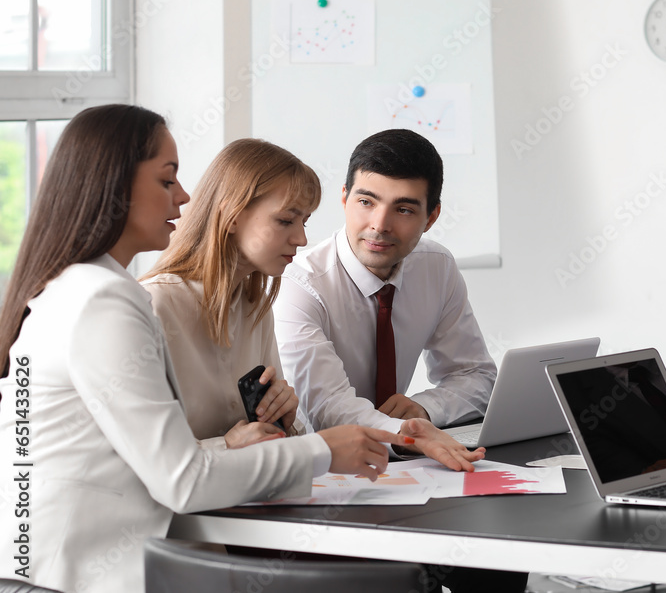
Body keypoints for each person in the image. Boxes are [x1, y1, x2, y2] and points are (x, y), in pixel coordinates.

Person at [0, 105, 415, 593]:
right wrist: (320, 450)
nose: (185, 195)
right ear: (115, 184)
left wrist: (282, 430)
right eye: (166, 180)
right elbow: (182, 480)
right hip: (67, 575)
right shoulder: (106, 301)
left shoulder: (78, 289)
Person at [141, 138, 483, 469]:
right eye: (286, 221)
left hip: (246, 496)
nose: (302, 239)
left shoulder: (255, 302)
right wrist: (412, 437)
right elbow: (147, 457)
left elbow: (278, 438)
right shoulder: (156, 305)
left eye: (304, 222)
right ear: (232, 215)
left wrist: (285, 422)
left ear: (431, 217)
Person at [273, 129, 497, 433]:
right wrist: (409, 435)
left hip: (402, 463)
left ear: (431, 218)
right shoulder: (300, 283)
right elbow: (327, 408)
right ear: (345, 198)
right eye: (366, 202)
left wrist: (426, 409)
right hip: (322, 463)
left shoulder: (437, 267)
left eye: (403, 209)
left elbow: (476, 376)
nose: (380, 225)